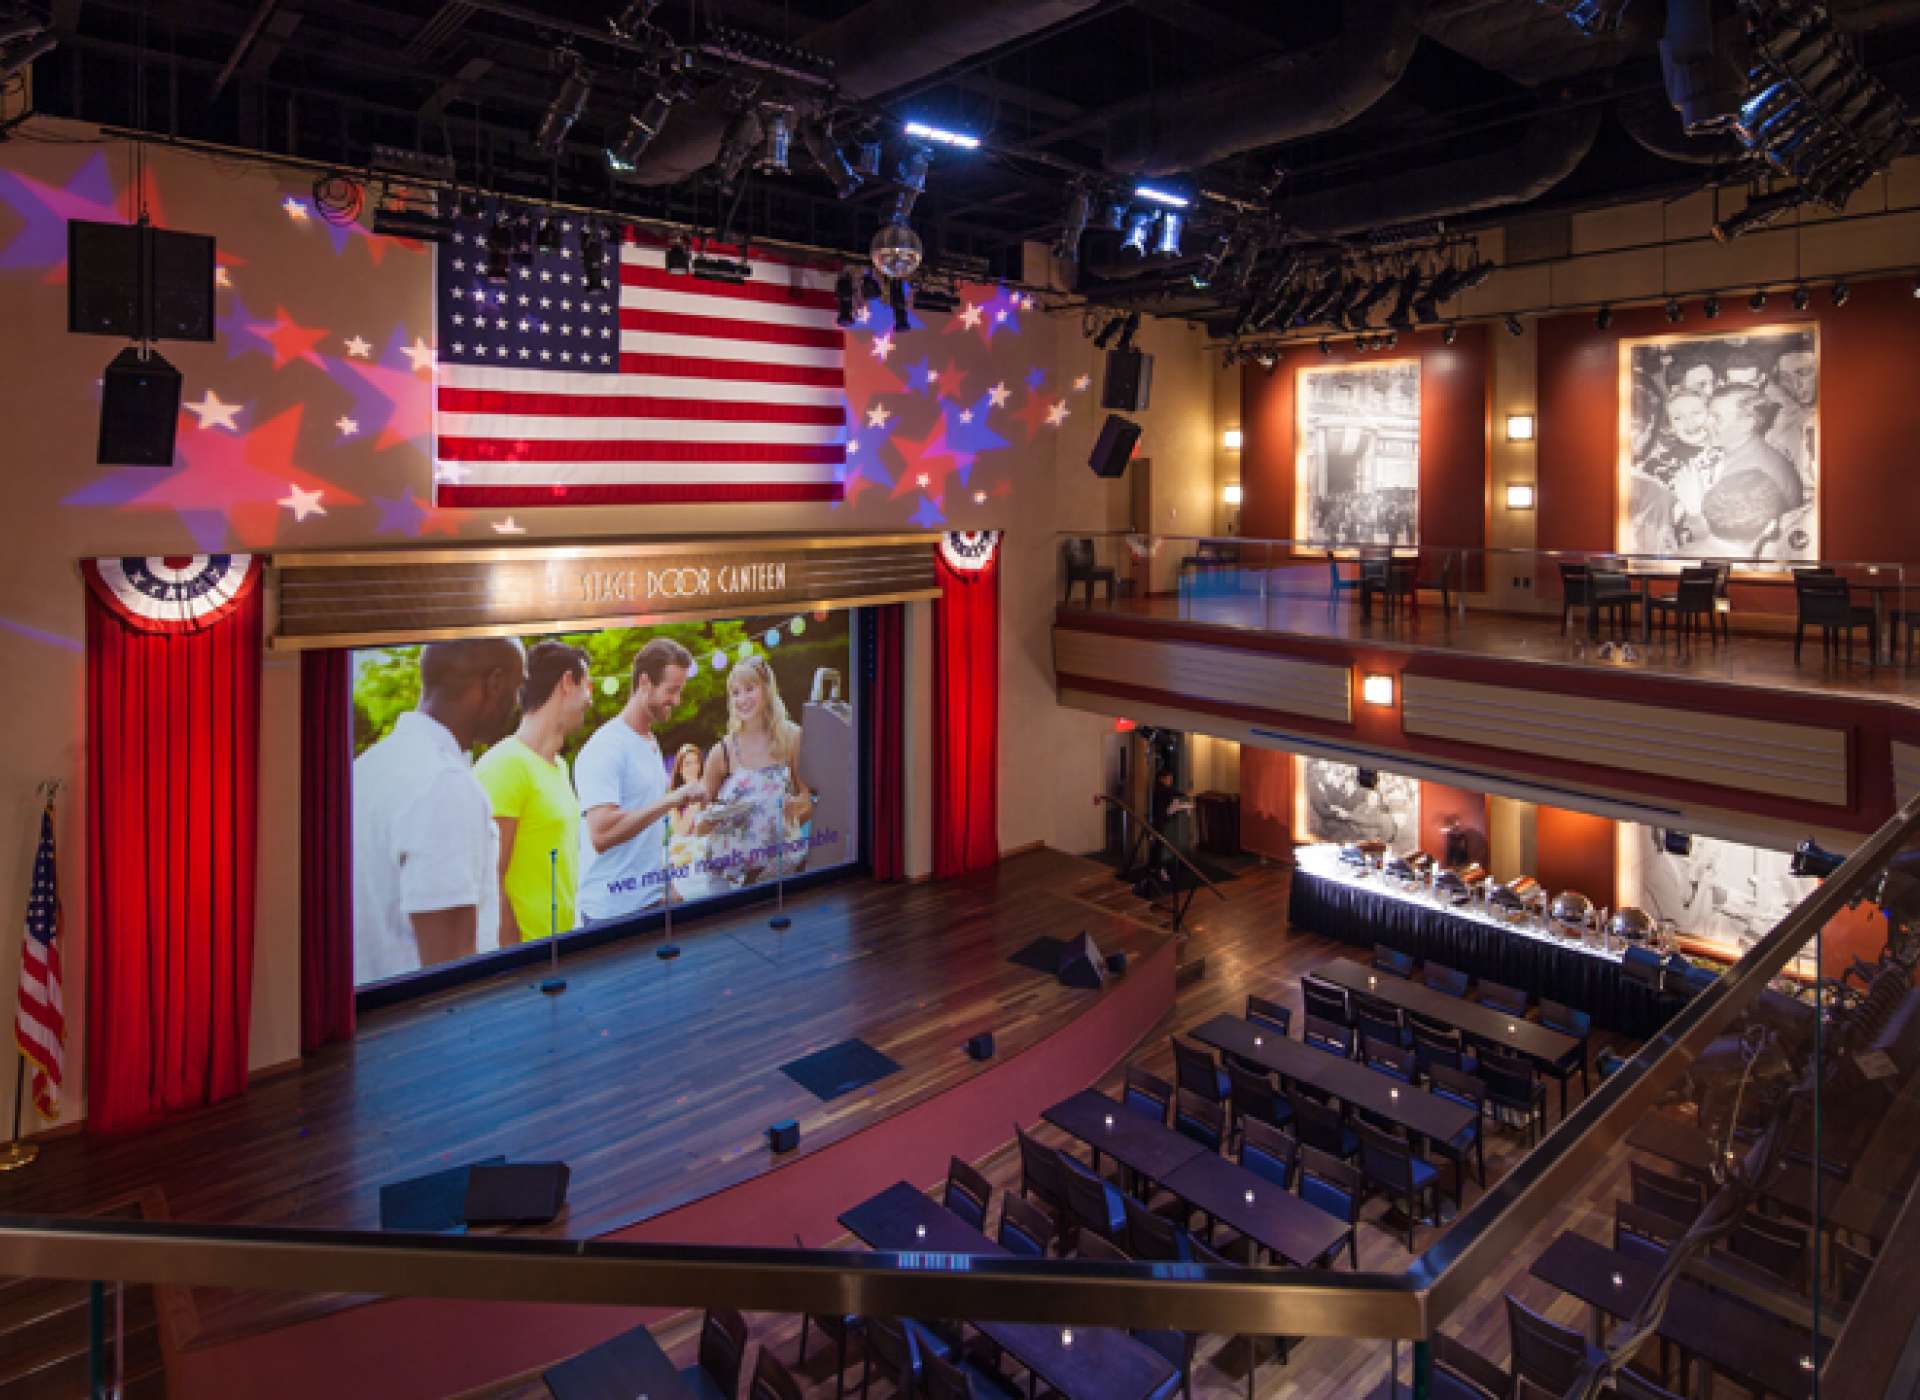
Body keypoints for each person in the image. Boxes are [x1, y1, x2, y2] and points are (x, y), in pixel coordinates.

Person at [353, 637, 525, 983]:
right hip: (426, 1030)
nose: (516, 705)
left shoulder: (370, 765)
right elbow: (451, 973)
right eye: (517, 689)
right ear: (494, 684)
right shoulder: (444, 783)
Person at [574, 638, 706, 926]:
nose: (677, 700)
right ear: (645, 682)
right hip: (611, 913)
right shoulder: (606, 746)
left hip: (651, 900)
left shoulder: (649, 741)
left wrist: (667, 884)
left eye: (679, 691)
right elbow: (602, 833)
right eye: (672, 690)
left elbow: (650, 831)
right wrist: (674, 799)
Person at [474, 641, 591, 946]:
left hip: (560, 951)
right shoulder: (504, 765)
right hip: (527, 964)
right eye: (586, 685)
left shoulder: (561, 767)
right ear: (567, 682)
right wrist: (517, 961)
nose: (589, 699)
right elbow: (488, 878)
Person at [698, 654, 814, 889]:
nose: (742, 699)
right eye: (735, 692)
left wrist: (791, 810)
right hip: (728, 876)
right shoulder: (722, 751)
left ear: (767, 690)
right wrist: (714, 816)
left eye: (750, 689)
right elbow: (700, 819)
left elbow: (809, 799)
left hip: (780, 868)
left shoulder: (793, 737)